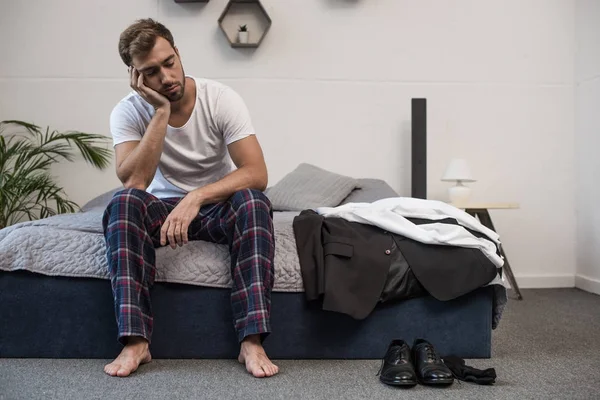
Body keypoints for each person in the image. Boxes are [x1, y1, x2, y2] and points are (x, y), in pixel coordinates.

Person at [101, 18, 278, 379]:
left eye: (169, 63)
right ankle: (136, 341)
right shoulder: (128, 111)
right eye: (151, 72)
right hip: (161, 211)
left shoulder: (220, 98)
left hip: (214, 206)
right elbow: (135, 182)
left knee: (254, 203)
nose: (166, 77)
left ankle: (252, 340)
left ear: (178, 54)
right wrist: (160, 114)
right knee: (122, 204)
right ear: (136, 77)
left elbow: (256, 172)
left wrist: (196, 196)